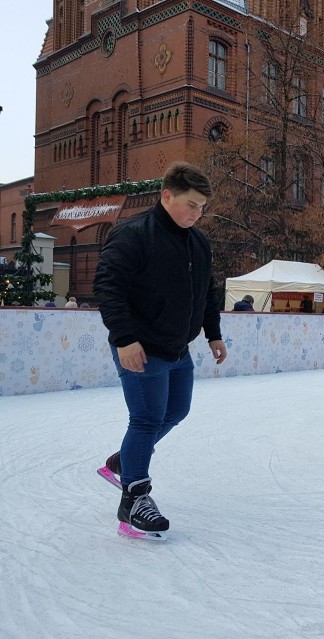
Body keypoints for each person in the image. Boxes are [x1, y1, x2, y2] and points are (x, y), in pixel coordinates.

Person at [93, 161, 227, 540]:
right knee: (147, 420)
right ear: (166, 195)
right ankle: (134, 499)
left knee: (177, 411)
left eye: (202, 207)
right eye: (191, 205)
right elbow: (108, 286)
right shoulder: (134, 234)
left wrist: (213, 333)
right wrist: (124, 338)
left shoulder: (198, 242)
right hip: (141, 347)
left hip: (178, 348)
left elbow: (207, 291)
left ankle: (126, 460)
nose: (197, 214)